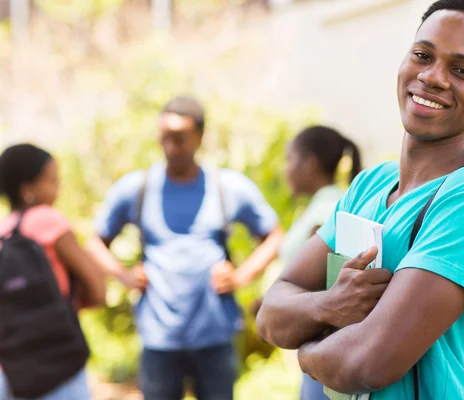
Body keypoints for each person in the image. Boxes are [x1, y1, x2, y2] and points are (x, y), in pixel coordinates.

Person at [257, 0, 464, 398]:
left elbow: (369, 362)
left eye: (462, 70)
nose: (433, 77)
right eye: (422, 55)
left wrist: (306, 352)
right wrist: (329, 306)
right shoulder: (370, 185)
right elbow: (271, 313)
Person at [87, 95, 284, 400]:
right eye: (164, 136)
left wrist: (241, 277)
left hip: (214, 333)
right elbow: (95, 240)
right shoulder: (137, 188)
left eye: (179, 138)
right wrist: (124, 276)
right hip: (159, 337)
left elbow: (273, 235)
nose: (170, 145)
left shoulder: (226, 187)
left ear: (199, 137)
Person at [0, 144, 106, 400]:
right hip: (59, 365)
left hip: (13, 369)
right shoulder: (48, 220)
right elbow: (98, 290)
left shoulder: (3, 233)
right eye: (52, 181)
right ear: (27, 190)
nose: (58, 189)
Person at [281, 125, 362, 400]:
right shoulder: (321, 205)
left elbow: (324, 284)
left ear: (310, 163)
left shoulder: (326, 211)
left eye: (289, 160)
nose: (286, 169)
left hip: (323, 341)